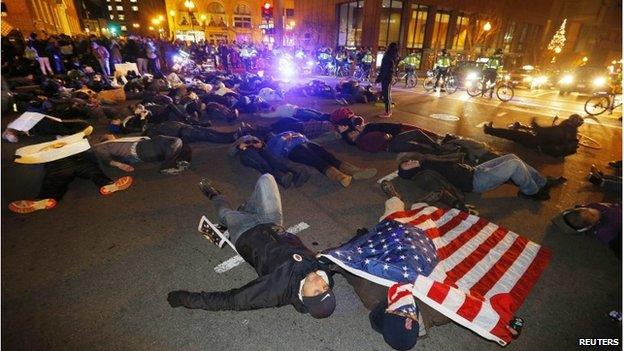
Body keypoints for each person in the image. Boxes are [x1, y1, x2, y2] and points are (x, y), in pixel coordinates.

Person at [166, 174, 337, 319]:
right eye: (325, 287)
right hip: (272, 223)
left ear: (304, 298)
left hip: (245, 233)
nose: (319, 282)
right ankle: (246, 209)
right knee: (266, 179)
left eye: (316, 292)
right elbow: (347, 258)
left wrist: (185, 299)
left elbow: (233, 300)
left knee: (225, 214)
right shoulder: (322, 267)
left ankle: (216, 197)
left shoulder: (277, 290)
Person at [397, 153, 566, 201]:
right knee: (514, 166)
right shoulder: (423, 176)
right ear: (410, 172)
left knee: (512, 157)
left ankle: (543, 181)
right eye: (408, 165)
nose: (411, 161)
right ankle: (531, 191)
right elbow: (436, 188)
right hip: (474, 182)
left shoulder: (425, 162)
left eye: (408, 161)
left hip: (473, 170)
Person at [267, 131, 377, 187]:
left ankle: (356, 171)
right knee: (315, 160)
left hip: (307, 143)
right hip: (294, 150)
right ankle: (340, 177)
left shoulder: (287, 131)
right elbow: (277, 155)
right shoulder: (272, 143)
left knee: (328, 156)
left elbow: (303, 136)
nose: (272, 134)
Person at [228, 135, 311, 188]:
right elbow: (230, 152)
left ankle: (295, 174)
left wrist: (260, 144)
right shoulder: (239, 140)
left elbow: (264, 146)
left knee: (273, 160)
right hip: (246, 154)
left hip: (258, 150)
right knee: (262, 163)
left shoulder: (254, 137)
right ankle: (280, 178)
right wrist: (239, 146)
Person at [483, 114, 583, 157]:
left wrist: (533, 122)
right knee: (517, 136)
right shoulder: (571, 131)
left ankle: (489, 130)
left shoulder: (560, 130)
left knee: (512, 134)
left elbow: (540, 130)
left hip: (537, 143)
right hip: (545, 144)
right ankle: (492, 130)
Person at [93, 134, 192, 175]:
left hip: (145, 146)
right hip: (140, 149)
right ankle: (167, 166)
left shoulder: (118, 141)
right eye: (109, 135)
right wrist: (121, 165)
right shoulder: (101, 145)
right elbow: (105, 158)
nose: (111, 135)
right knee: (175, 141)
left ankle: (177, 162)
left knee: (180, 144)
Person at [552, 202, 621, 259]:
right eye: (593, 215)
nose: (595, 211)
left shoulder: (593, 206)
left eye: (588, 210)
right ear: (590, 226)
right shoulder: (604, 232)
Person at [376, 43, 398, 118]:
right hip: (389, 77)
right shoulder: (393, 56)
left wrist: (378, 79)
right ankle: (388, 110)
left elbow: (384, 70)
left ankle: (387, 112)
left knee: (386, 95)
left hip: (386, 78)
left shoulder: (387, 57)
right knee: (387, 94)